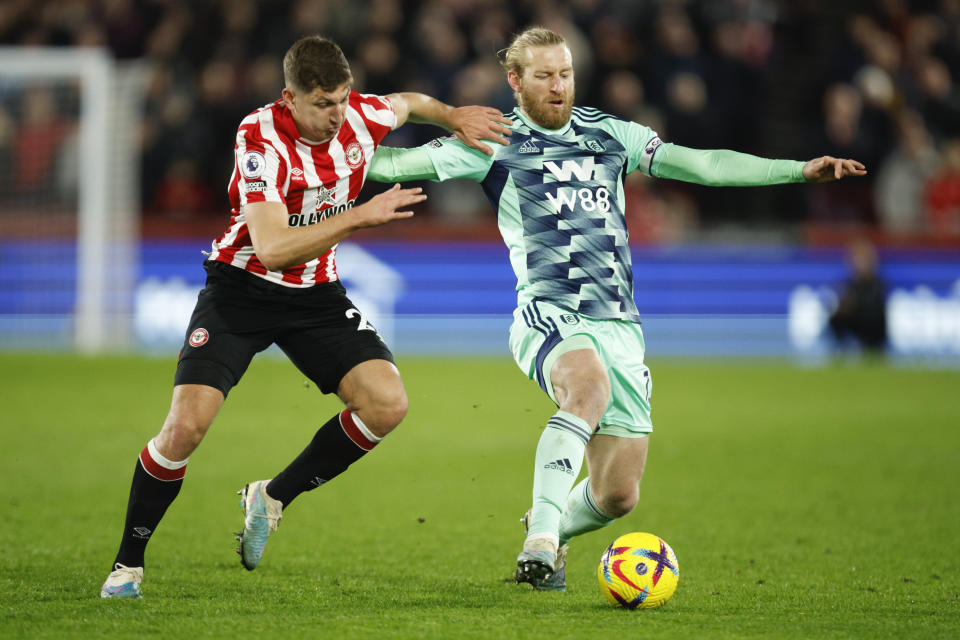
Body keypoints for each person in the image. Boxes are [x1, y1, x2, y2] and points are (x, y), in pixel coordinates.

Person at [367, 26, 866, 591]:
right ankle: (542, 544)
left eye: (565, 74)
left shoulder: (611, 135)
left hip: (621, 325)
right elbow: (388, 166)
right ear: (515, 81)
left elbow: (703, 166)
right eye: (544, 76)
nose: (558, 87)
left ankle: (546, 520)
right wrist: (320, 148)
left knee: (618, 495)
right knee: (587, 388)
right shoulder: (491, 141)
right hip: (549, 313)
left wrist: (796, 169)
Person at [100, 35, 512, 599]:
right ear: (289, 97)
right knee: (185, 428)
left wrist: (452, 115)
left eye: (342, 98)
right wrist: (359, 217)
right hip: (240, 290)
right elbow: (270, 247)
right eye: (323, 103)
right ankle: (127, 566)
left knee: (387, 403)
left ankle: (270, 498)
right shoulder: (259, 136)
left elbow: (407, 102)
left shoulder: (358, 115)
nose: (337, 113)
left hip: (314, 294)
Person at [829, 238, 887, 354]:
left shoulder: (877, 285)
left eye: (862, 259)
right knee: (836, 318)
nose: (859, 263)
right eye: (856, 259)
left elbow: (875, 310)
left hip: (871, 326)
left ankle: (870, 348)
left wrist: (854, 304)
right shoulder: (850, 284)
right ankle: (842, 349)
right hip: (854, 322)